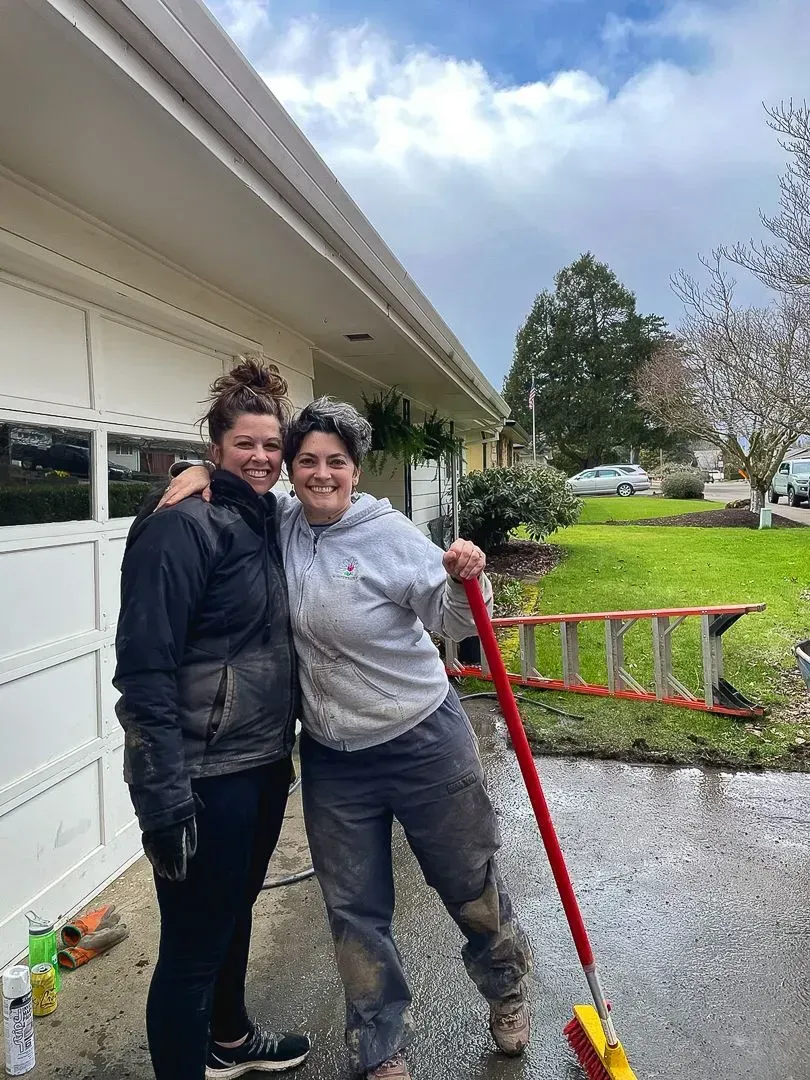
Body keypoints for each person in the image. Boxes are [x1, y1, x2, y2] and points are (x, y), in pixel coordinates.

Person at [163, 391, 533, 1080]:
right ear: (293, 471)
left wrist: (463, 578)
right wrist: (201, 473)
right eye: (307, 461)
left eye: (336, 461)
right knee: (355, 913)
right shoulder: (281, 519)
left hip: (423, 740)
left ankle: (506, 990)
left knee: (469, 884)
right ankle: (379, 1043)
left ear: (356, 470)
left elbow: (450, 623)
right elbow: (243, 476)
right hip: (335, 759)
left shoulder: (390, 536)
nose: (320, 473)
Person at [113, 359, 311, 1080]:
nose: (260, 458)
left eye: (270, 446)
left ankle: (229, 1041)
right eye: (244, 446)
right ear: (214, 449)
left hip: (261, 764)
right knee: (191, 951)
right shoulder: (181, 528)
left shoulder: (266, 522)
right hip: (202, 773)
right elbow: (143, 670)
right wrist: (162, 796)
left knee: (234, 914)